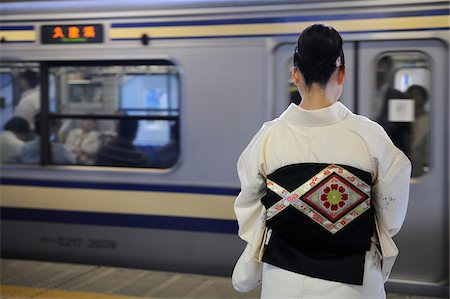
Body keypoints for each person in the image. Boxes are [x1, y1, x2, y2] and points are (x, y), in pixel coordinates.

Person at [232, 24, 411, 299]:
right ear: (342, 74)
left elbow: (250, 210)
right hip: (354, 283)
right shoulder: (369, 138)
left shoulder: (267, 139)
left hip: (283, 283)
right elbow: (391, 216)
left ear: (295, 75)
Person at [406, 85, 429, 177]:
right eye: (410, 94)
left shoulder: (429, 120)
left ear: (424, 99)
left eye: (416, 94)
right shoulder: (403, 120)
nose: (412, 97)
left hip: (422, 164)